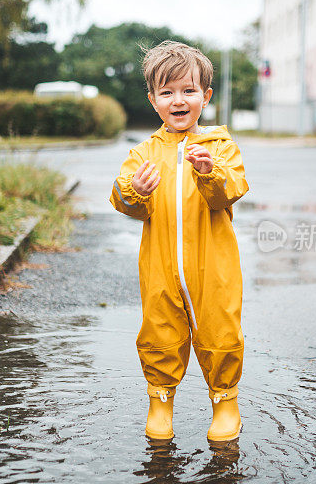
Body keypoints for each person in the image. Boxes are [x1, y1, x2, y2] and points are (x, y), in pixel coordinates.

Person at [109, 41, 249, 442]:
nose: (178, 100)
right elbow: (124, 201)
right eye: (167, 92)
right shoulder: (145, 152)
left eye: (188, 91)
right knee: (159, 332)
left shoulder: (220, 147)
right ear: (153, 100)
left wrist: (210, 174)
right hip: (161, 267)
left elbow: (232, 190)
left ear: (205, 97)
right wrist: (135, 190)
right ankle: (160, 401)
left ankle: (225, 402)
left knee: (220, 332)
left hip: (214, 267)